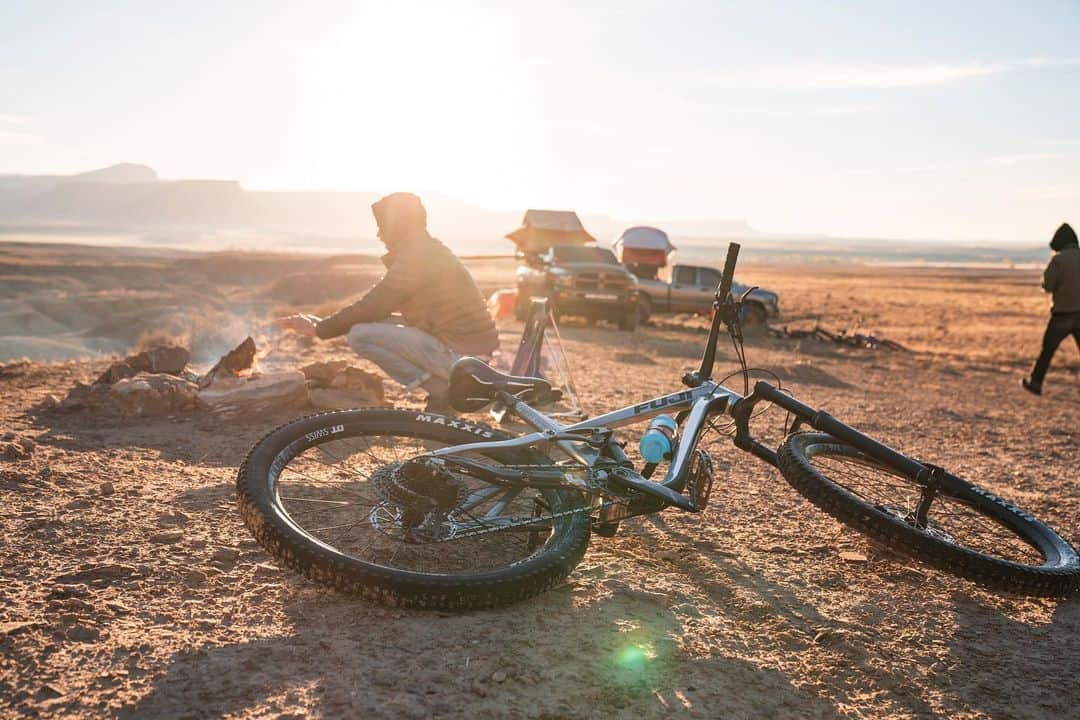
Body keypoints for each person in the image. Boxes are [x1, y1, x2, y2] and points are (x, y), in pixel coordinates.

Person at [277, 192, 498, 411]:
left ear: (397, 226)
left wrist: (320, 329)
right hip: (467, 351)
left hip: (466, 361)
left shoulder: (418, 256)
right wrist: (324, 324)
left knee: (360, 336)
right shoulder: (425, 249)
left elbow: (374, 304)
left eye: (382, 226)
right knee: (369, 325)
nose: (379, 235)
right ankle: (445, 392)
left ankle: (442, 391)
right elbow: (377, 311)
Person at [1022, 222, 1080, 395]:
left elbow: (1047, 286)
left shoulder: (1058, 259)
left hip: (1062, 314)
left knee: (1047, 351)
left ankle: (1036, 383)